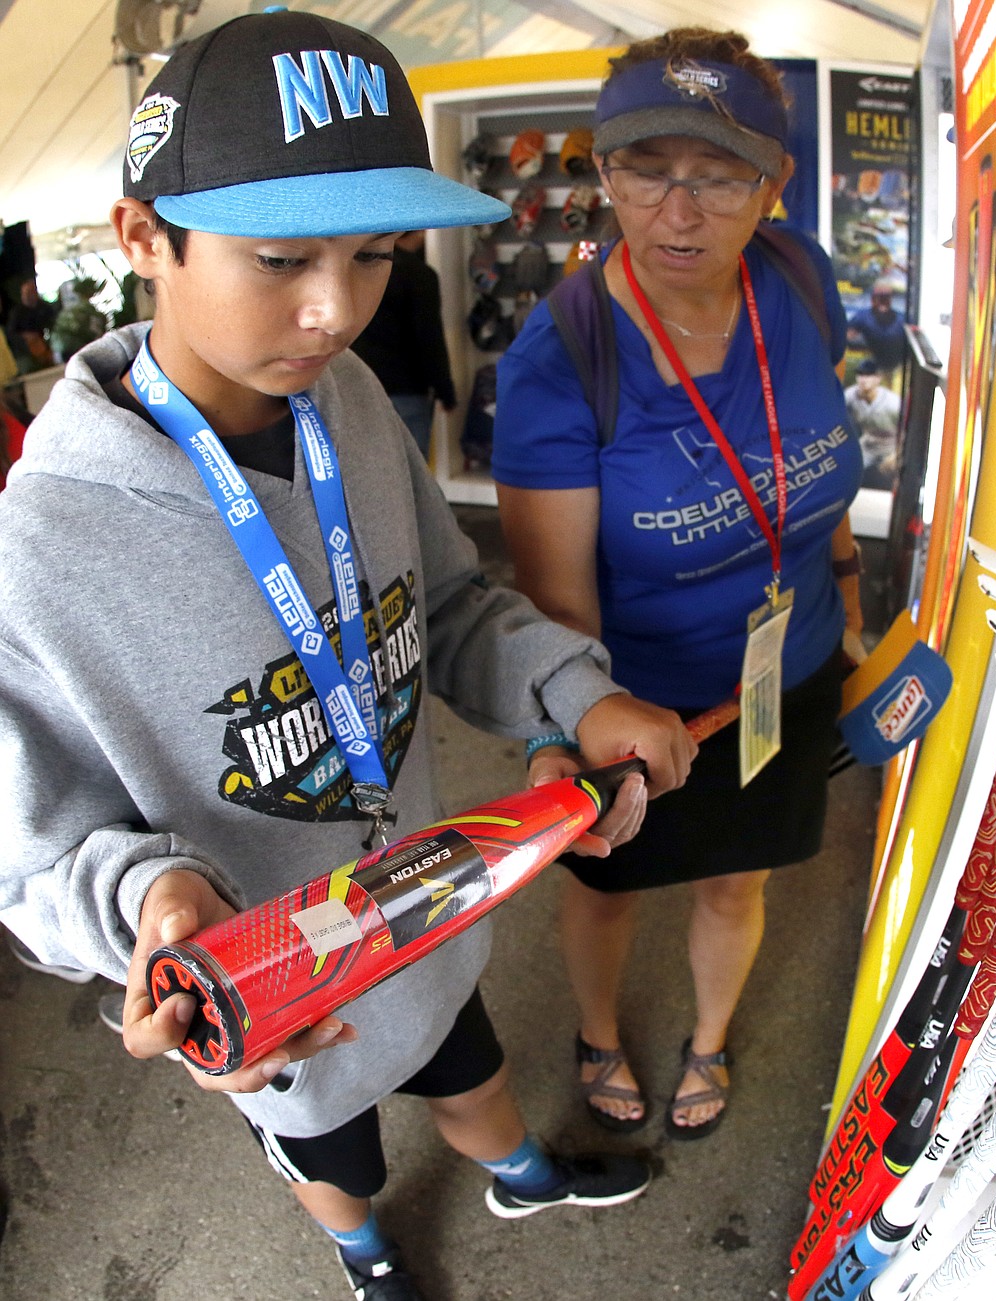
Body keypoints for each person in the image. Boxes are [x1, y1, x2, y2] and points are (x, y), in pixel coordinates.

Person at [0, 13, 699, 1301]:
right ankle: (368, 1254)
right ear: (144, 235)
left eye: (375, 254)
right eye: (280, 256)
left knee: (469, 1066)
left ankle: (522, 1171)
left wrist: (575, 692)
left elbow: (444, 608)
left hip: (433, 910)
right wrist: (150, 907)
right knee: (331, 1150)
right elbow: (33, 852)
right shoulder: (41, 541)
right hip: (278, 993)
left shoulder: (354, 403)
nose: (335, 309)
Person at [492, 28, 864, 1141]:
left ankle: (708, 1039)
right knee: (610, 886)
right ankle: (598, 1031)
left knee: (737, 878)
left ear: (775, 184)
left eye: (718, 175)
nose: (679, 212)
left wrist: (847, 598)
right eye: (645, 170)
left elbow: (816, 456)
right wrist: (560, 736)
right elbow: (554, 600)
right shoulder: (563, 358)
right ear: (602, 171)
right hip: (639, 708)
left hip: (785, 674)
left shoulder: (801, 279)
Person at [351, 230, 456, 459]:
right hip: (407, 387)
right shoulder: (419, 273)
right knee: (412, 471)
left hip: (358, 384)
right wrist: (445, 390)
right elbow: (429, 338)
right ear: (420, 231)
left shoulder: (357, 267)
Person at [845, 357, 902, 490]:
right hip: (869, 442)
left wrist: (897, 455)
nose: (863, 379)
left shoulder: (893, 403)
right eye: (860, 374)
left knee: (898, 474)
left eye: (868, 375)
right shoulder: (850, 396)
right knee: (846, 466)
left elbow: (910, 431)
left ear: (878, 378)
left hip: (892, 444)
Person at [846, 279, 906, 379]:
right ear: (873, 298)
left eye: (886, 297)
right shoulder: (862, 317)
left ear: (891, 299)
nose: (882, 301)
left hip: (898, 369)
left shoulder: (902, 320)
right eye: (879, 297)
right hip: (874, 369)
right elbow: (845, 338)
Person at [5, 277, 56, 372]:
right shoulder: (17, 312)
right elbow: (11, 334)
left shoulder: (45, 308)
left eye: (30, 293)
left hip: (47, 348)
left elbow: (53, 325)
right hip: (25, 351)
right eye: (25, 294)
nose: (27, 296)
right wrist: (26, 337)